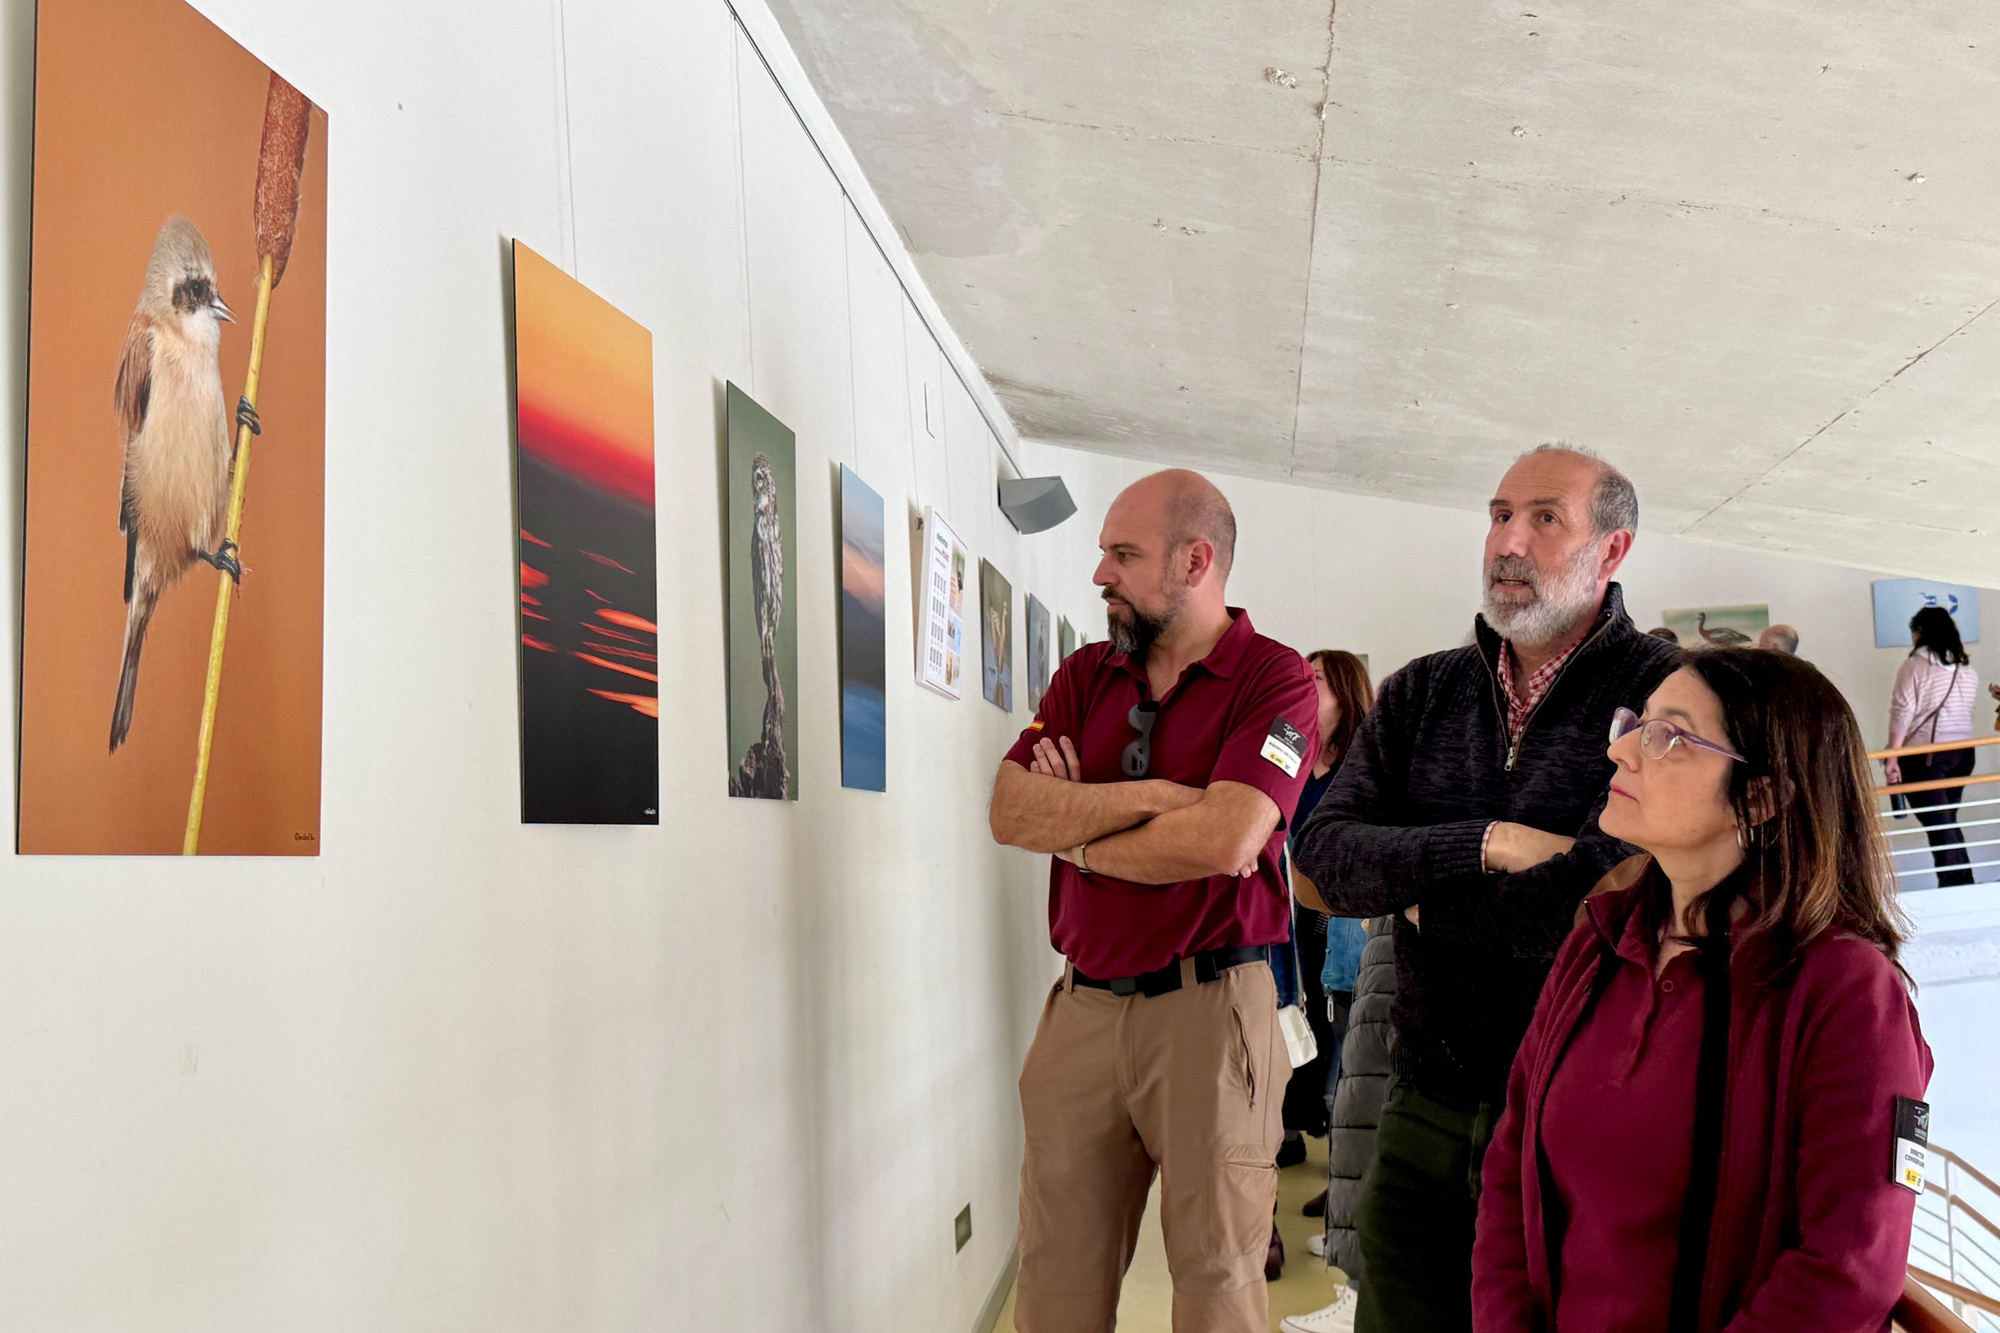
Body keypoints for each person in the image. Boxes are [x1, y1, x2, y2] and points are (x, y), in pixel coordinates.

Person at [1291, 444, 1681, 1333]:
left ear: (1612, 549)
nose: (1509, 540)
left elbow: (1609, 895)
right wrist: (1490, 842)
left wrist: (1414, 891)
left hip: (1585, 1115)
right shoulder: (1423, 692)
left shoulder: (1665, 694)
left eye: (1545, 518)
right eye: (1500, 514)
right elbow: (1318, 862)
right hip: (1423, 1100)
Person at [1474, 648, 1932, 1333]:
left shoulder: (1846, 993)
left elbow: (1848, 1268)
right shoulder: (1598, 943)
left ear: (1761, 797)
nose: (1622, 750)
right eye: (1637, 723)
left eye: (1670, 736)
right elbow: (1510, 1172)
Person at [987, 469, 1319, 1333]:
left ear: (1195, 562)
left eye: (1124, 555)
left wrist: (1077, 834)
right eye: (1104, 551)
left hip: (1213, 1012)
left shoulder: (1277, 680)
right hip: (1082, 1008)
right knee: (1053, 1280)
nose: (1100, 573)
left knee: (1220, 1283)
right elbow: (1011, 809)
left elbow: (1228, 837)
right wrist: (1163, 798)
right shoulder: (1085, 674)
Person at [1884, 605, 1980, 888]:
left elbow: (1902, 712)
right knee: (1944, 820)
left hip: (1927, 756)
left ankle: (1958, 887)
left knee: (1940, 823)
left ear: (1920, 631)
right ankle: (1959, 884)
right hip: (1963, 755)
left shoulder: (1915, 666)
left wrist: (1892, 756)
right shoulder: (1966, 668)